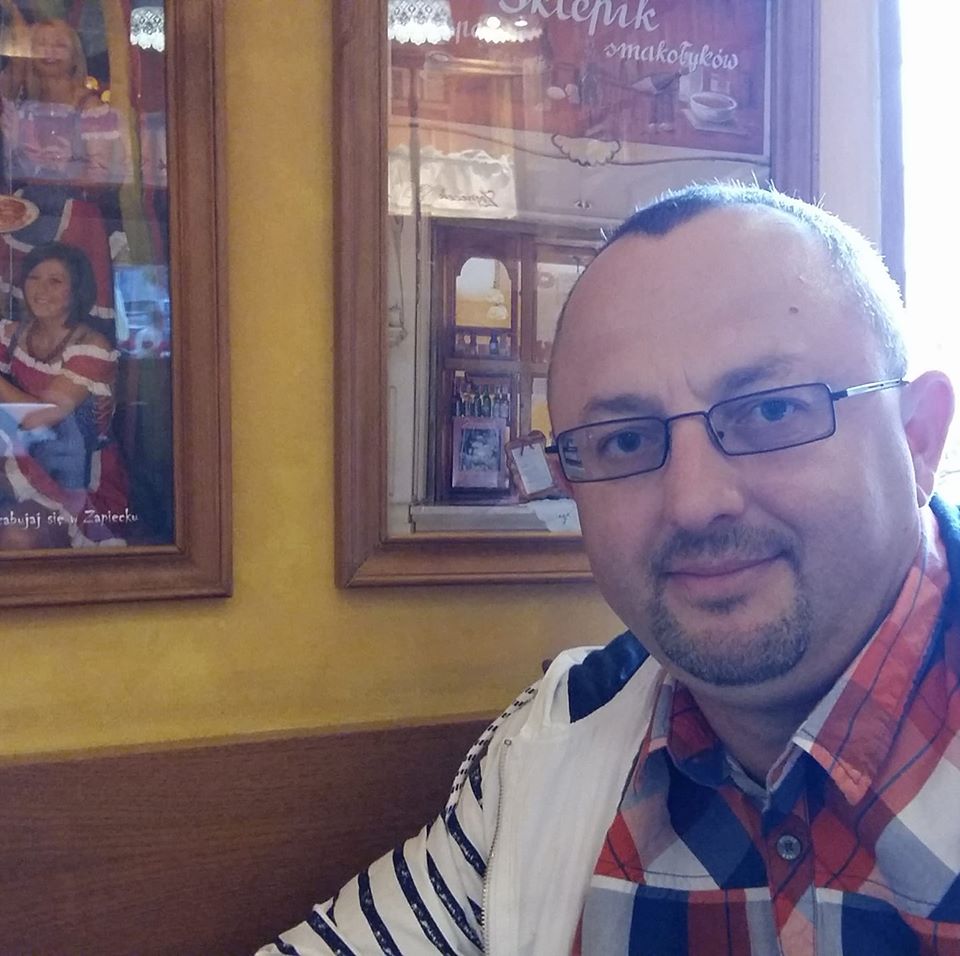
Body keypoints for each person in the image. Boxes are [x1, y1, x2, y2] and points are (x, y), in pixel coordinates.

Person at [256, 183, 959, 955]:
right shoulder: (552, 744)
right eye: (625, 440)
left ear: (919, 438)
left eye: (770, 411)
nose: (694, 502)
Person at [0, 5, 126, 326]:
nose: (49, 51)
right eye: (41, 44)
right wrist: (14, 147)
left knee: (67, 315)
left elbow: (105, 177)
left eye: (59, 45)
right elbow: (17, 169)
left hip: (76, 219)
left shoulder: (91, 108)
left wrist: (65, 168)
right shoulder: (25, 104)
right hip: (27, 211)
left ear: (75, 56)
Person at [0, 240, 127, 546]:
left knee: (17, 536)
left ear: (76, 289)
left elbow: (40, 417)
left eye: (55, 281)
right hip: (16, 460)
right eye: (34, 278)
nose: (40, 289)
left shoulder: (92, 347)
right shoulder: (13, 334)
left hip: (74, 481)